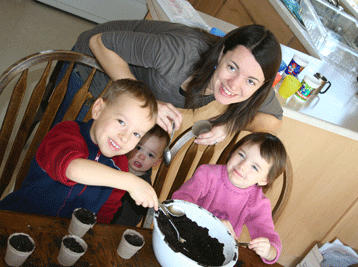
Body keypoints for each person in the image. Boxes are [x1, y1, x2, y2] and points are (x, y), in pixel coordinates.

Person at [54, 20, 283, 145]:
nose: (234, 85)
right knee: (65, 144)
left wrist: (229, 124)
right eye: (232, 67)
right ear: (222, 53)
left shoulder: (254, 74)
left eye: (251, 81)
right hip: (93, 68)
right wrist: (148, 102)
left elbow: (273, 122)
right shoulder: (179, 54)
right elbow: (99, 43)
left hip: (128, 97)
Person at [0, 79, 160, 223]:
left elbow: (105, 213)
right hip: (16, 218)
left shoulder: (121, 166)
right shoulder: (66, 132)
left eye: (136, 134)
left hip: (60, 237)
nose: (124, 137)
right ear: (98, 109)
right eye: (121, 121)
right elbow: (73, 168)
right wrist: (130, 181)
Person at [172, 132, 287, 264]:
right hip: (183, 238)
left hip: (216, 255)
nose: (242, 165)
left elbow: (268, 234)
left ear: (264, 180)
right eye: (241, 155)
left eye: (254, 167)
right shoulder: (207, 174)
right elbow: (180, 200)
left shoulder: (258, 202)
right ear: (233, 151)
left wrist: (269, 251)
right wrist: (211, 223)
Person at [112, 124, 170, 226]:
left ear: (156, 162)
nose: (141, 156)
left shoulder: (145, 190)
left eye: (150, 155)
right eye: (139, 148)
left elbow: (129, 221)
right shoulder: (113, 161)